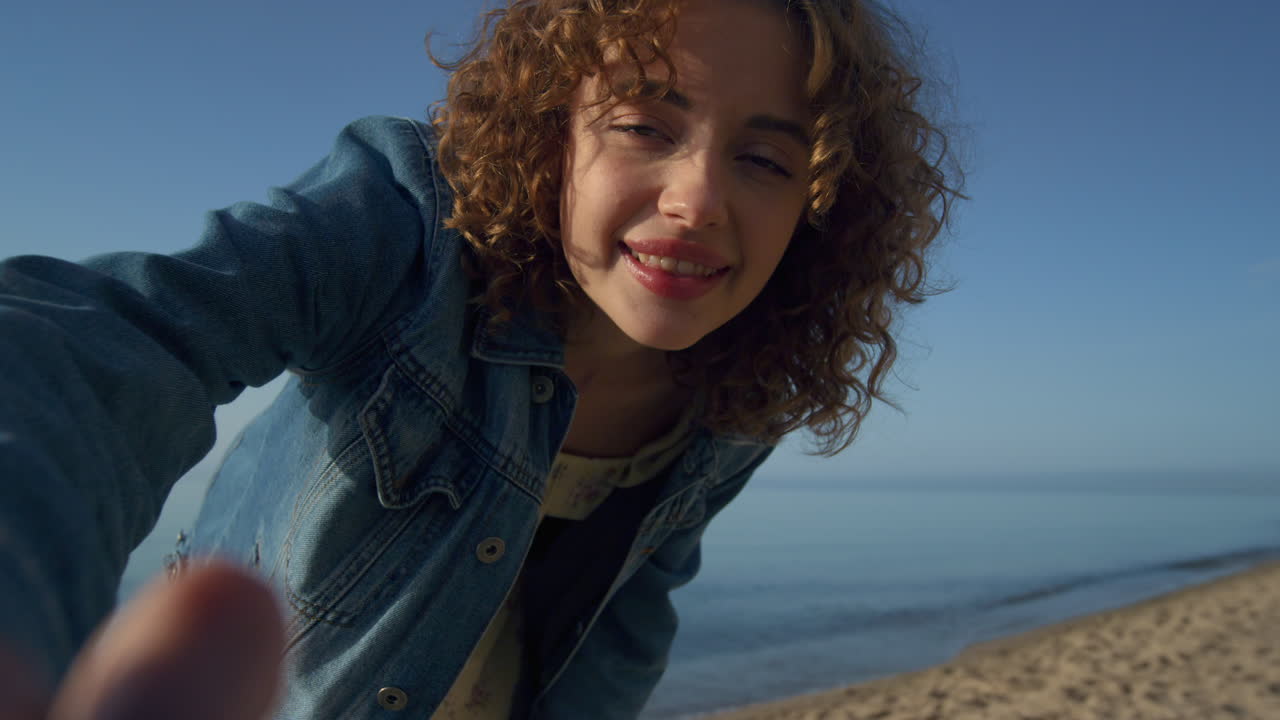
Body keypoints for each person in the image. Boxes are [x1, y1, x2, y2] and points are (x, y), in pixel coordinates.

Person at [0, 0, 960, 717]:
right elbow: (107, 340)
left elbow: (632, 612)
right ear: (553, 134)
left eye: (765, 160)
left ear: (821, 206)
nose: (697, 199)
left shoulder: (743, 384)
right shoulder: (404, 232)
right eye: (643, 125)